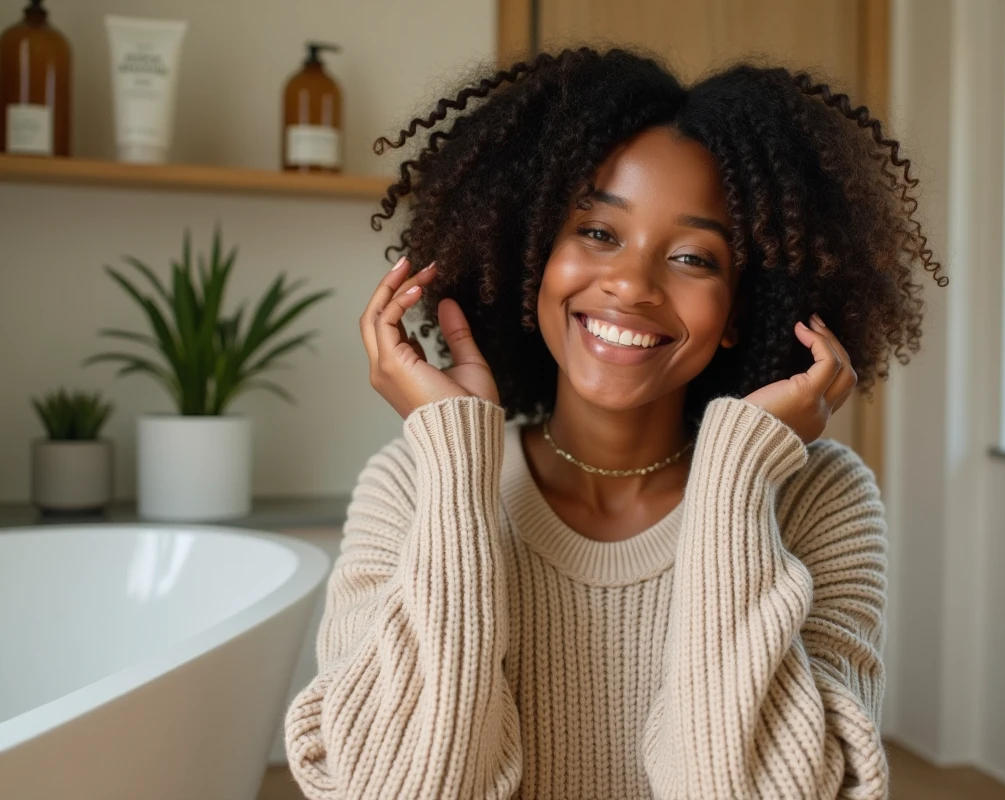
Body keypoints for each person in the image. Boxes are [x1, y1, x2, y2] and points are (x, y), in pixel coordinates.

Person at [283, 46, 944, 800]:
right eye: (598, 232)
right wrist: (456, 464)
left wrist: (737, 479)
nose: (631, 286)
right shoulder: (412, 483)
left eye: (694, 258)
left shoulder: (818, 499)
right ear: (534, 256)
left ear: (739, 311)